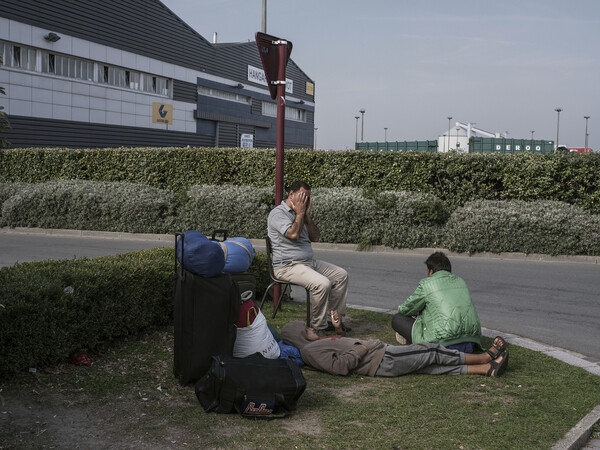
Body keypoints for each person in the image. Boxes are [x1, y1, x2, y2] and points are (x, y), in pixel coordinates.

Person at [280, 313, 508, 378]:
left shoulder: (315, 345)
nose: (312, 329)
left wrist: (339, 329)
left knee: (429, 366)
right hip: (380, 360)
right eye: (307, 329)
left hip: (380, 356)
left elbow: (338, 346)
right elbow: (339, 366)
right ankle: (484, 358)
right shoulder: (309, 351)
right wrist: (366, 346)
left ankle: (486, 370)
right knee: (429, 350)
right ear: (299, 334)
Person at [267, 181, 349, 336]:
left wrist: (307, 217)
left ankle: (334, 320)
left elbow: (315, 237)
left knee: (341, 275)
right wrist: (299, 214)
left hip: (308, 263)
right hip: (287, 266)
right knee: (322, 284)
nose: (305, 200)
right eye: (302, 196)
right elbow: (292, 235)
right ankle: (318, 326)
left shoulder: (302, 214)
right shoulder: (278, 214)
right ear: (291, 194)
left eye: (308, 197)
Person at [392, 252, 482, 353]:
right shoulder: (461, 281)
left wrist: (402, 309)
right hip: (471, 342)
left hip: (443, 344)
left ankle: (417, 347)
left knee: (397, 319)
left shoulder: (427, 283)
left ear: (430, 271)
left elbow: (407, 308)